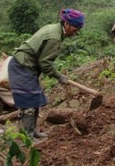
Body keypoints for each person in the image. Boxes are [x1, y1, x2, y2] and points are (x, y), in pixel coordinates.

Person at [8, 8, 85, 139]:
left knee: (35, 99)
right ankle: (27, 137)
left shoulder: (54, 29)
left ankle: (33, 131)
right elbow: (45, 63)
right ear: (66, 24)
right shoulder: (54, 37)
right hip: (22, 66)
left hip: (27, 67)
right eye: (74, 29)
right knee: (28, 102)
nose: (75, 32)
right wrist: (59, 76)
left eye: (78, 30)